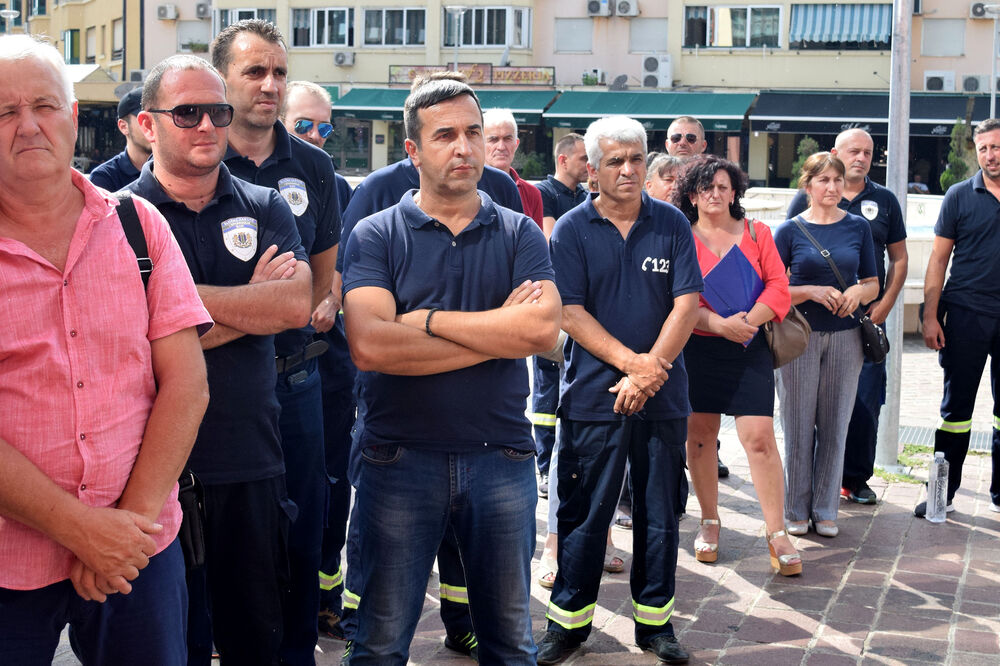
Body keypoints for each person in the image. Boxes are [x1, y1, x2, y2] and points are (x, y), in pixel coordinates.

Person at [0, 36, 210, 665]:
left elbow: (186, 385)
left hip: (138, 546)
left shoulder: (138, 224)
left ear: (73, 117)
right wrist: (83, 531)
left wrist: (129, 533)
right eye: (4, 112)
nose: (29, 125)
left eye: (44, 105)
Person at [341, 74, 561, 664]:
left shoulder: (518, 232)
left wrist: (424, 319)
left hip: (503, 459)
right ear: (412, 150)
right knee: (380, 642)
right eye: (444, 136)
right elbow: (370, 347)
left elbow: (542, 332)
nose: (463, 148)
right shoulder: (376, 234)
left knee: (512, 642)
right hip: (398, 460)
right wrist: (498, 334)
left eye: (472, 132)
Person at [128, 54, 313, 665]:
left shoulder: (264, 207)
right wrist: (247, 306)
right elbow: (126, 347)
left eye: (217, 111)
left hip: (251, 461)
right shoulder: (116, 216)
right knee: (167, 646)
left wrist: (169, 308)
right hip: (151, 473)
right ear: (148, 125)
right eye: (187, 112)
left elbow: (294, 306)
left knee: (255, 640)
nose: (207, 125)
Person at [539, 115, 700, 665]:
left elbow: (687, 303)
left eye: (636, 158)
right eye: (616, 161)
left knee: (659, 514)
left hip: (663, 395)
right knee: (583, 513)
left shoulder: (673, 223)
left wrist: (650, 371)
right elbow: (569, 310)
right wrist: (634, 366)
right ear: (591, 168)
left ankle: (656, 625)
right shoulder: (572, 229)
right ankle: (568, 624)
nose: (629, 170)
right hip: (592, 395)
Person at [211, 22, 343, 665]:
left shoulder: (313, 165)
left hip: (296, 380)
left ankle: (294, 653)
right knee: (215, 529)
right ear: (222, 81)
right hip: (211, 383)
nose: (269, 85)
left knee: (301, 528)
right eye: (254, 72)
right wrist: (266, 308)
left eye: (279, 73)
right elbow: (164, 308)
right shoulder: (200, 160)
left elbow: (324, 274)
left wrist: (317, 300)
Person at [673, 155, 800, 576]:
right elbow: (677, 300)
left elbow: (779, 286)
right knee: (701, 436)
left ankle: (776, 531)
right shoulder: (680, 237)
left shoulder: (757, 232)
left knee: (760, 437)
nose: (715, 193)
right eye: (706, 187)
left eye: (723, 186)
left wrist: (745, 322)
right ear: (692, 194)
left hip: (749, 345)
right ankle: (710, 520)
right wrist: (716, 324)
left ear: (734, 192)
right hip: (698, 348)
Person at [787, 129, 907, 505]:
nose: (861, 158)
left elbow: (898, 258)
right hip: (810, 326)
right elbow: (785, 260)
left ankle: (855, 479)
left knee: (863, 404)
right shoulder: (801, 204)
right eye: (854, 151)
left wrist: (882, 304)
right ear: (836, 153)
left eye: (868, 152)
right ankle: (805, 492)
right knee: (806, 411)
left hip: (864, 321)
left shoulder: (883, 200)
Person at [278, 79, 358, 643]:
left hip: (329, 363)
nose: (315, 137)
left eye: (324, 128)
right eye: (303, 125)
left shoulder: (330, 179)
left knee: (329, 486)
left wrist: (332, 297)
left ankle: (324, 598)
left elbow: (352, 261)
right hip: (265, 364)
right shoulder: (239, 176)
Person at [774, 152, 879, 538]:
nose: (832, 188)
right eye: (824, 181)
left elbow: (873, 282)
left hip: (847, 337)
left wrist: (856, 292)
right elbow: (772, 288)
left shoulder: (858, 228)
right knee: (798, 423)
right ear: (808, 186)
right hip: (799, 337)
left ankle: (825, 507)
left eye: (837, 181)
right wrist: (811, 291)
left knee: (836, 423)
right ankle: (795, 508)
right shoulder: (789, 231)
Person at [919, 117, 1000, 517]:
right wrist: (930, 316)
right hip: (966, 314)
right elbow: (938, 258)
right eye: (984, 148)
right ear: (976, 150)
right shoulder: (958, 195)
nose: (990, 155)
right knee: (955, 413)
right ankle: (941, 495)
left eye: (997, 146)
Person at [483, 107, 543, 227]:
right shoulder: (467, 188)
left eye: (507, 139)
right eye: (493, 139)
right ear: (479, 143)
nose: (501, 146)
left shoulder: (531, 194)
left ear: (516, 144)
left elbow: (536, 241)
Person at [89, 86, 150, 190]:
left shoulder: (176, 171)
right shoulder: (104, 177)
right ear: (123, 126)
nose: (152, 126)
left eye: (157, 118)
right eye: (144, 120)